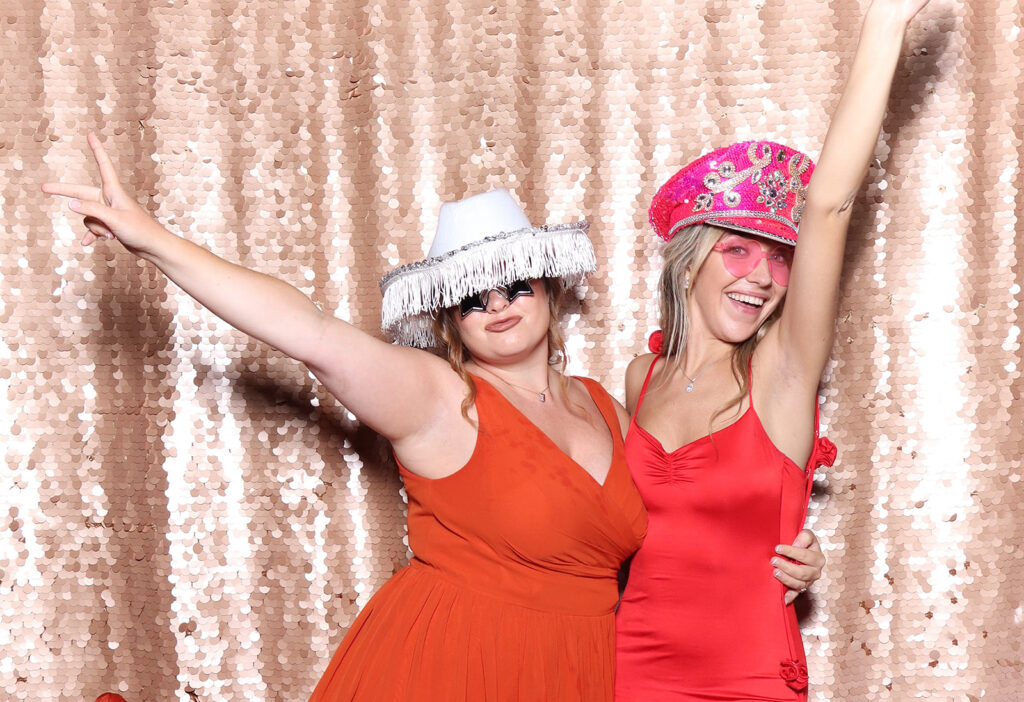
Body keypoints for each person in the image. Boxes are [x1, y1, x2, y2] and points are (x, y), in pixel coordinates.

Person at [43, 150, 821, 698]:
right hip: (457, 666)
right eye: (472, 297)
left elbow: (693, 506)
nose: (499, 306)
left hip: (578, 674)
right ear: (450, 319)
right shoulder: (436, 398)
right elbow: (308, 330)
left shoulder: (606, 406)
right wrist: (156, 243)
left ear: (548, 289)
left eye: (514, 283)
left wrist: (783, 551)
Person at [614, 0, 930, 699]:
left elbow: (829, 207)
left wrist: (884, 26)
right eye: (736, 250)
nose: (761, 275)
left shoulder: (780, 375)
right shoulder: (638, 381)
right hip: (629, 669)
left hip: (747, 676)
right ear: (689, 259)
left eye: (779, 259)